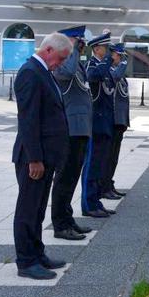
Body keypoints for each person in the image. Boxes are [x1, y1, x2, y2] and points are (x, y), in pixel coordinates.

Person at [12, 33, 72, 280]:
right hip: (33, 158)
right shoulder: (30, 72)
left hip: (46, 156)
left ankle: (37, 254)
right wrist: (35, 158)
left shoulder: (44, 72)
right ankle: (26, 261)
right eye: (61, 58)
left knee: (37, 209)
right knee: (28, 210)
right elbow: (28, 120)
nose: (61, 63)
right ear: (48, 50)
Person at [50, 25, 93, 240]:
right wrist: (74, 51)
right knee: (64, 177)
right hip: (70, 129)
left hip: (80, 128)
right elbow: (66, 74)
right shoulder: (60, 64)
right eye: (77, 40)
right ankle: (60, 224)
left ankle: (68, 218)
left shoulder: (75, 62)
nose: (81, 43)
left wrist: (78, 53)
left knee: (73, 177)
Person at [83, 32, 116, 218]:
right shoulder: (91, 65)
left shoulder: (104, 65)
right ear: (96, 48)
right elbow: (96, 76)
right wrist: (108, 61)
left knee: (101, 163)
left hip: (105, 121)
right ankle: (89, 203)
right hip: (95, 121)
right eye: (106, 48)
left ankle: (96, 201)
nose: (109, 51)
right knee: (92, 164)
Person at [100, 43, 129, 200]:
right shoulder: (110, 72)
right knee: (108, 156)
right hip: (113, 120)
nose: (122, 59)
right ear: (112, 56)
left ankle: (109, 184)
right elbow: (116, 77)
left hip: (120, 120)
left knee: (114, 157)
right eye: (120, 56)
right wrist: (124, 63)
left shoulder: (117, 72)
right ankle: (104, 186)